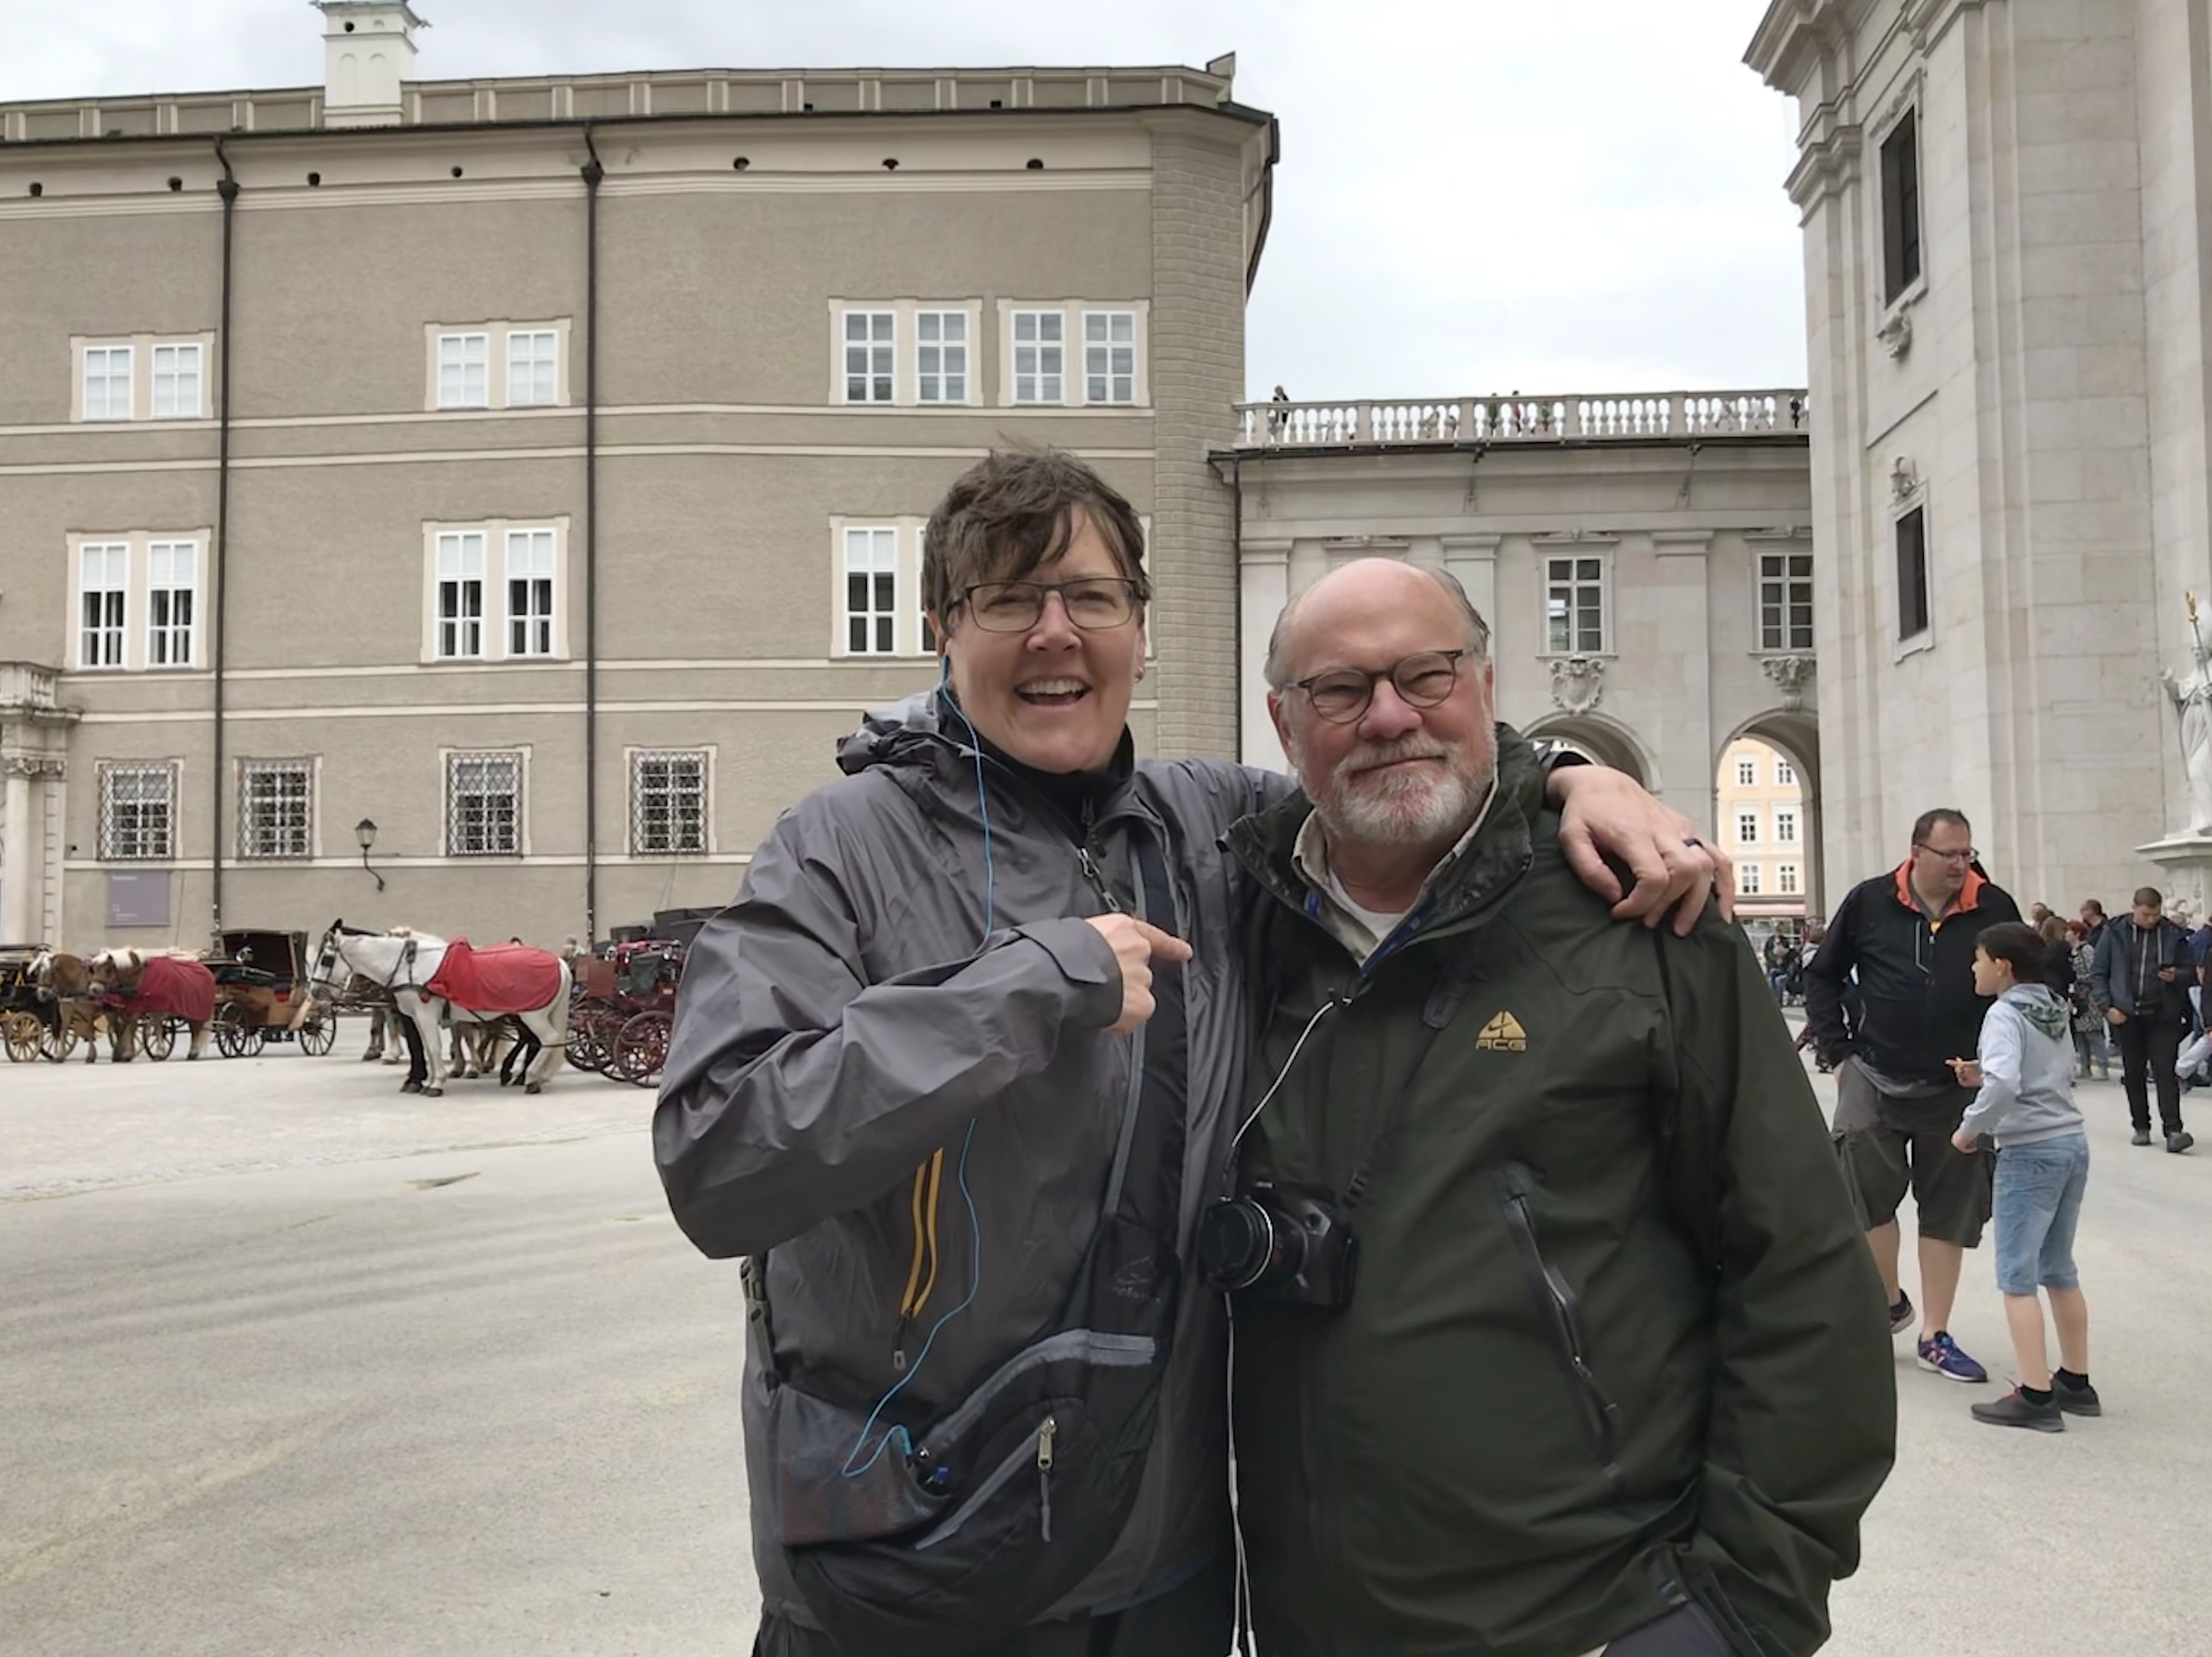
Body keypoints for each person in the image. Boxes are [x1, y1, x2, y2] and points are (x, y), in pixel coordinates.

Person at [652, 450, 1727, 1657]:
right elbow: (719, 1158)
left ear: (1140, 629)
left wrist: (1570, 778)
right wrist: (1031, 983)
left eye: (1091, 596)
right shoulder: (835, 847)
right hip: (906, 1568)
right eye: (1008, 598)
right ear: (943, 630)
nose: (1055, 632)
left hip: (1160, 1569)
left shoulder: (1215, 825)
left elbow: (1396, 766)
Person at [1223, 558, 1894, 1657]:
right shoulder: (1232, 917)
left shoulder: (1645, 914)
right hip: (1308, 1616)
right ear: (1282, 723)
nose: (1389, 716)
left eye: (1425, 674)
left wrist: (1742, 1608)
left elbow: (1801, 1266)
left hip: (1594, 1609)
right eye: (1339, 688)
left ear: (1484, 686)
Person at [1804, 809, 2022, 1385]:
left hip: (1958, 1087)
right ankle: (1889, 1301)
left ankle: (1936, 1336)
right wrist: (1838, 1052)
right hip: (1873, 1075)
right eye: (1950, 855)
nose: (1961, 865)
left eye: (1967, 854)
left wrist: (2003, 1062)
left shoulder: (1993, 906)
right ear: (1917, 852)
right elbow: (1823, 975)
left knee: (1949, 1209)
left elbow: (2024, 984)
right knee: (1864, 1197)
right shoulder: (1870, 902)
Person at [1946, 923, 2100, 1432]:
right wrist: (1983, 1073)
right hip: (2070, 1140)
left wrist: (1970, 1129)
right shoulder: (2053, 1006)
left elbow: (2007, 1084)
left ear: (2002, 966)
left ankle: (2035, 1395)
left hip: (2030, 1148)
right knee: (2059, 1267)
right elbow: (2054, 1068)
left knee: (2016, 1275)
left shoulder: (2002, 1014)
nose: (1974, 968)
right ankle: (2075, 1380)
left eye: (1979, 959)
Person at [2088, 886, 2196, 1152]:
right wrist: (2107, 1007)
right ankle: (2141, 1126)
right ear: (2134, 908)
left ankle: (2173, 1130)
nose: (2151, 920)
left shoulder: (2172, 934)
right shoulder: (2114, 934)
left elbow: (2191, 971)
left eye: (2155, 915)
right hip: (2127, 1015)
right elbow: (2099, 974)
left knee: (2165, 1071)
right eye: (2146, 915)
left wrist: (2177, 976)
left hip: (2162, 1014)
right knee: (2134, 1072)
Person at [2063, 920, 2108, 1080]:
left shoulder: (2087, 950)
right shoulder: (2072, 951)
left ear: (2077, 934)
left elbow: (2093, 971)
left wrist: (2079, 979)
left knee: (2093, 1032)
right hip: (2077, 995)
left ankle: (2102, 1067)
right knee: (2080, 1034)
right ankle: (2085, 1067)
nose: (2066, 934)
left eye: (2069, 931)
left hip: (2089, 995)